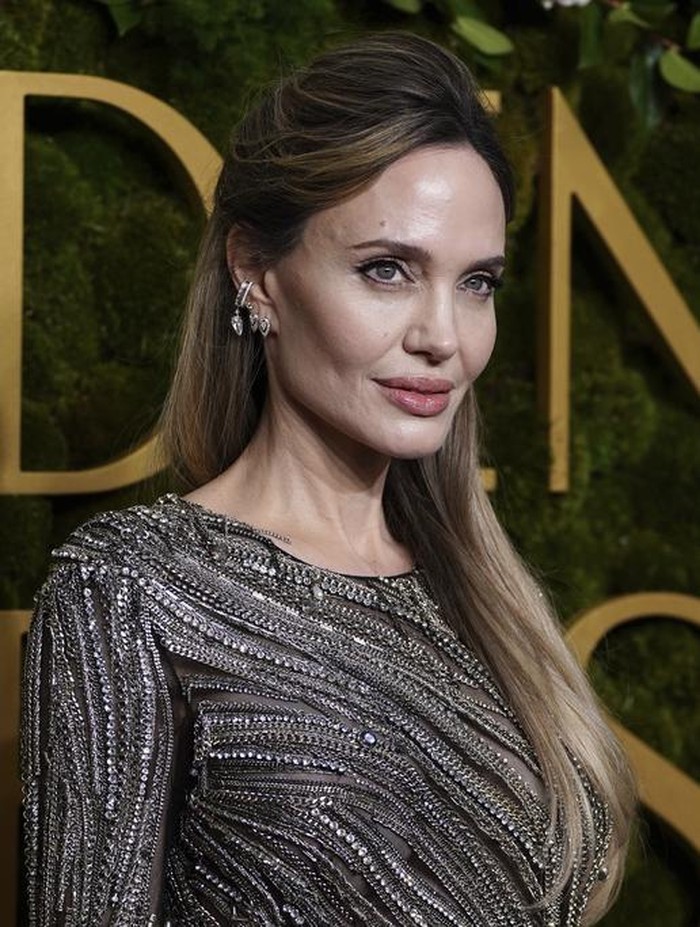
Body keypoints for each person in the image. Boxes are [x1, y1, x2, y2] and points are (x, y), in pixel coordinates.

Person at [21, 31, 635, 927]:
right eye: (387, 270)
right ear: (256, 272)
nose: (444, 336)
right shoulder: (128, 590)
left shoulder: (483, 596)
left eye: (477, 283)